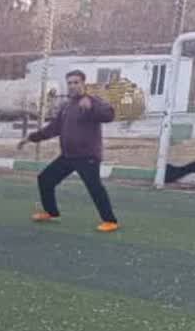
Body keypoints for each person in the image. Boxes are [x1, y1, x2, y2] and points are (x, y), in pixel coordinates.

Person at [17, 70, 120, 232]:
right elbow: (53, 128)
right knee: (45, 179)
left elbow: (109, 115)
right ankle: (51, 212)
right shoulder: (67, 106)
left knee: (95, 188)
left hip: (87, 156)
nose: (72, 86)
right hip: (68, 156)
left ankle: (110, 221)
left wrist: (91, 108)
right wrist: (30, 138)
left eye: (76, 82)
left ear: (83, 83)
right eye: (70, 83)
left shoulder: (92, 101)